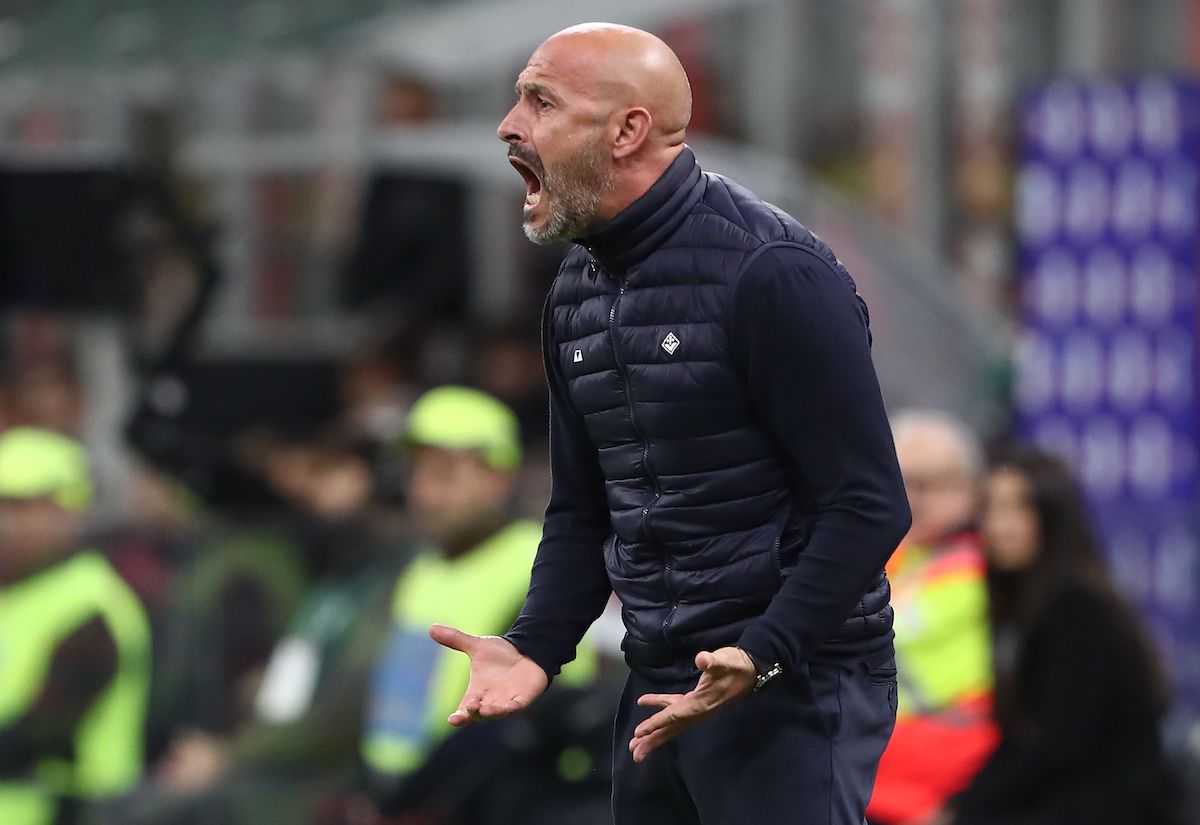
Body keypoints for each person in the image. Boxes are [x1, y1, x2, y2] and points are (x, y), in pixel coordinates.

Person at [430, 22, 911, 825]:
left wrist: (760, 653)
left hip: (792, 682)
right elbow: (583, 509)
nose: (510, 125)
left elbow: (869, 504)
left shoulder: (772, 272)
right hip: (660, 680)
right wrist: (535, 644)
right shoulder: (575, 291)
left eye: (540, 101)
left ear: (627, 131)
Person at [362, 386, 599, 823]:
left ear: (497, 478)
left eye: (446, 475)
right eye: (417, 474)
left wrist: (416, 804)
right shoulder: (422, 568)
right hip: (403, 797)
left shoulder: (535, 563)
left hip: (495, 804)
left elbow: (507, 725)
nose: (426, 494)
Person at [942, 448, 1182, 825]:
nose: (998, 526)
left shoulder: (1077, 604)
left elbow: (1058, 745)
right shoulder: (1022, 602)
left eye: (1018, 508)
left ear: (1053, 516)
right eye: (990, 508)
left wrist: (962, 810)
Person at [0, 427, 152, 825]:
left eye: (20, 506)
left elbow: (46, 732)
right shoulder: (14, 594)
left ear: (66, 509)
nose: (6, 524)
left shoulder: (91, 607)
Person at [868, 411, 997, 825]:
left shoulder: (986, 568)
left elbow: (902, 624)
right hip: (873, 793)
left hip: (952, 799)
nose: (911, 498)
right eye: (900, 480)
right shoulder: (887, 559)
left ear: (970, 488)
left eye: (927, 484)